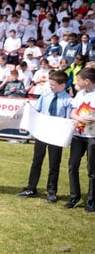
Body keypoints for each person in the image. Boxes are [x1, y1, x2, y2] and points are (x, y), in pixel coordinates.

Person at [17, 71, 72, 202]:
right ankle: (31, 187)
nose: (51, 86)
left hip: (56, 135)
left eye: (53, 84)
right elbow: (37, 110)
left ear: (62, 85)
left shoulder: (68, 100)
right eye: (50, 84)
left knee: (54, 164)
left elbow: (68, 119)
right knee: (37, 161)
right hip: (42, 133)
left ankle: (51, 191)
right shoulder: (45, 96)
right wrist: (28, 106)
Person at [65, 67, 95, 212]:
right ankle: (74, 196)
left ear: (87, 81)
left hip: (92, 137)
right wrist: (79, 118)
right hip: (78, 135)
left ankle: (91, 199)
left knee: (92, 169)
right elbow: (72, 112)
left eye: (79, 80)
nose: (77, 82)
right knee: (73, 165)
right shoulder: (80, 93)